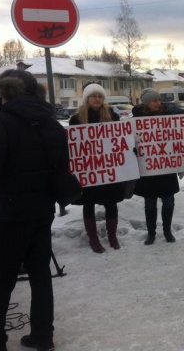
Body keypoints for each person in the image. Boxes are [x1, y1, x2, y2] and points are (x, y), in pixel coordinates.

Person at [0, 70, 68, 351]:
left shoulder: (0, 123)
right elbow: (61, 168)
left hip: (8, 213)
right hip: (41, 211)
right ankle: (43, 336)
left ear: (6, 93)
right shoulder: (51, 123)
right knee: (40, 275)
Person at [69, 83, 126, 253]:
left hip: (108, 168)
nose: (97, 99)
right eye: (94, 96)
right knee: (89, 203)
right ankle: (93, 237)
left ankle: (112, 235)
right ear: (87, 98)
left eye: (100, 96)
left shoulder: (112, 116)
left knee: (111, 201)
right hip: (89, 169)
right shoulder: (77, 119)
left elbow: (119, 138)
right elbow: (74, 145)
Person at [132, 88, 184, 245]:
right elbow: (131, 140)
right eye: (155, 100)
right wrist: (134, 147)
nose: (158, 103)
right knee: (150, 203)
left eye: (159, 100)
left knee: (168, 201)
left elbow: (180, 137)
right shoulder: (136, 120)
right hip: (148, 169)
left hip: (166, 168)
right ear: (147, 103)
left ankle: (167, 231)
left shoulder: (169, 116)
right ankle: (151, 233)